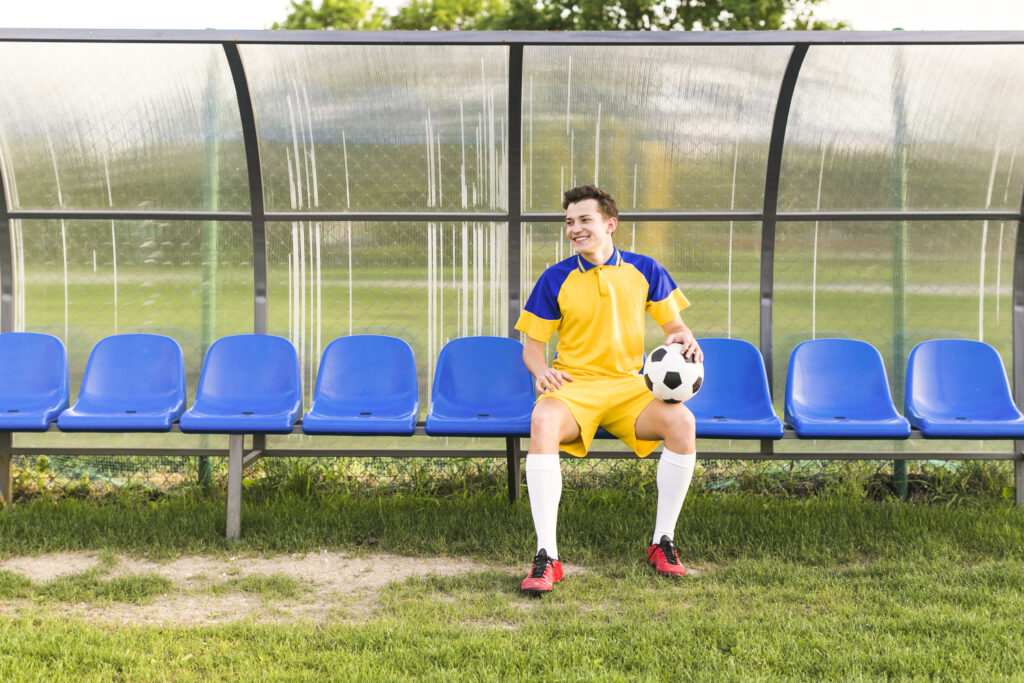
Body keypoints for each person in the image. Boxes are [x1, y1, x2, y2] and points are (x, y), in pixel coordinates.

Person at [514, 184, 702, 596]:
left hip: (629, 388)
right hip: (574, 387)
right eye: (569, 222)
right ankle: (547, 556)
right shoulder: (555, 278)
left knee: (683, 422)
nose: (575, 229)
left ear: (610, 224)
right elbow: (532, 348)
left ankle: (663, 542)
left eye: (585, 220)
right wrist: (542, 371)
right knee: (542, 421)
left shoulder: (645, 269)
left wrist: (686, 339)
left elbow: (675, 328)